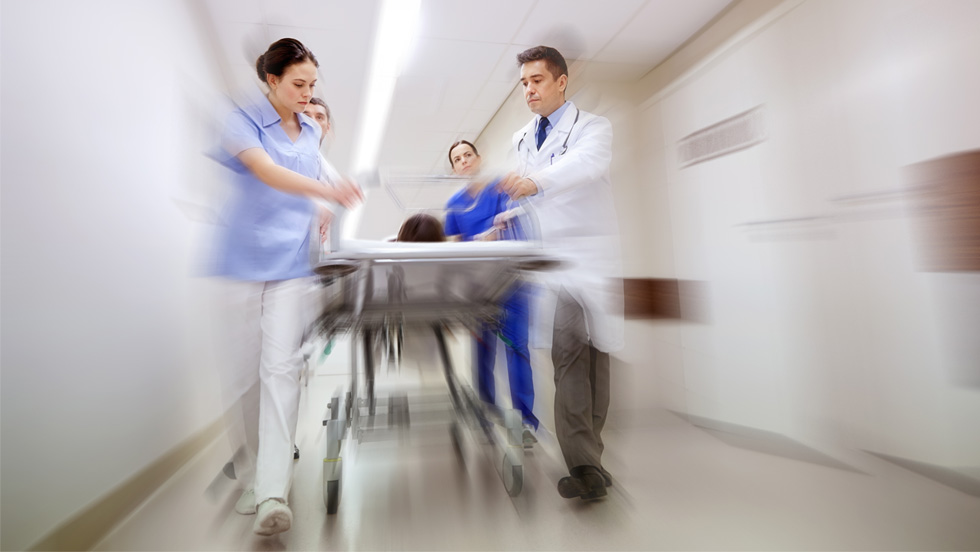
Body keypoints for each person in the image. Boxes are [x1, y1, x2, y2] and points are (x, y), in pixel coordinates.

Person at [214, 37, 361, 536]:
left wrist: (324, 202)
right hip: (241, 261)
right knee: (244, 378)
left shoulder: (312, 134)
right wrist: (324, 192)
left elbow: (319, 177)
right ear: (271, 80)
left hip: (292, 265)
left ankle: (274, 490)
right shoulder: (244, 119)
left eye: (313, 84)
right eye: (298, 84)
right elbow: (265, 170)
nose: (307, 92)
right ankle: (257, 473)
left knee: (279, 370)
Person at [499, 45, 624, 500]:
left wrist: (535, 182)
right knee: (569, 356)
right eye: (524, 83)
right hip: (556, 267)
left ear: (560, 81)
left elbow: (585, 166)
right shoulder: (520, 138)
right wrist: (509, 214)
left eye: (536, 80)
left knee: (595, 363)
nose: (528, 90)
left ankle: (591, 460)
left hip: (592, 258)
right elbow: (528, 192)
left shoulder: (593, 128)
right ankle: (585, 464)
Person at [444, 140, 539, 446]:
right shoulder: (454, 204)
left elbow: (513, 222)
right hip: (477, 290)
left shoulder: (501, 187)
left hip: (511, 284)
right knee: (482, 353)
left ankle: (526, 421)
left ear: (478, 158)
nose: (464, 161)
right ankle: (486, 415)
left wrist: (494, 232)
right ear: (454, 168)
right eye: (457, 159)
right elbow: (452, 248)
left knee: (517, 350)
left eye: (467, 155)